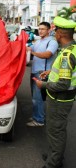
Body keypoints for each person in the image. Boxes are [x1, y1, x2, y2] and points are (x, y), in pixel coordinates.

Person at [33, 16, 76, 168]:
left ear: (61, 34)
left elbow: (63, 84)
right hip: (62, 99)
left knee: (56, 132)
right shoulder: (72, 49)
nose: (54, 34)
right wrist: (50, 71)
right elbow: (67, 72)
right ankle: (54, 155)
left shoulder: (66, 55)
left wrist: (42, 85)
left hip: (59, 99)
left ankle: (54, 163)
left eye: (55, 31)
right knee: (55, 130)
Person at [26, 22, 58, 127]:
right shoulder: (39, 41)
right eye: (39, 29)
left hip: (42, 73)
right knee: (35, 97)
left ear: (49, 30)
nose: (40, 31)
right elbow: (30, 49)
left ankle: (39, 120)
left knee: (38, 98)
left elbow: (48, 54)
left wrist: (32, 53)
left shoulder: (52, 42)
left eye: (43, 29)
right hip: (34, 72)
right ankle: (37, 115)